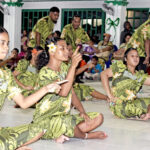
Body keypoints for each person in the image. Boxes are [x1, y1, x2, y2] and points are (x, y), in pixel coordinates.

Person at [0, 26, 63, 149]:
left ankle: (10, 145)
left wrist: (46, 89)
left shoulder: (6, 74)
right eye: (2, 43)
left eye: (7, 43)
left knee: (38, 129)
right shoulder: (22, 64)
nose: (6, 47)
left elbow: (23, 103)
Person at [34, 38, 107, 142]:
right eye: (62, 48)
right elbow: (63, 92)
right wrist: (73, 66)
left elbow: (71, 92)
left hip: (63, 117)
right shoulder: (45, 72)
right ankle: (83, 135)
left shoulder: (64, 67)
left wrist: (82, 112)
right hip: (46, 120)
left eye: (66, 48)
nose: (67, 51)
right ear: (52, 51)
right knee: (65, 121)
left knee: (98, 117)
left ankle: (64, 132)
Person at [101, 48, 150, 120]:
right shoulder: (120, 68)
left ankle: (146, 114)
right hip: (119, 105)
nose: (135, 58)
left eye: (137, 56)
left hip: (132, 103)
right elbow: (103, 74)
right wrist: (110, 95)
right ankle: (143, 114)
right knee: (130, 107)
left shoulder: (139, 75)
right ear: (126, 59)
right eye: (132, 56)